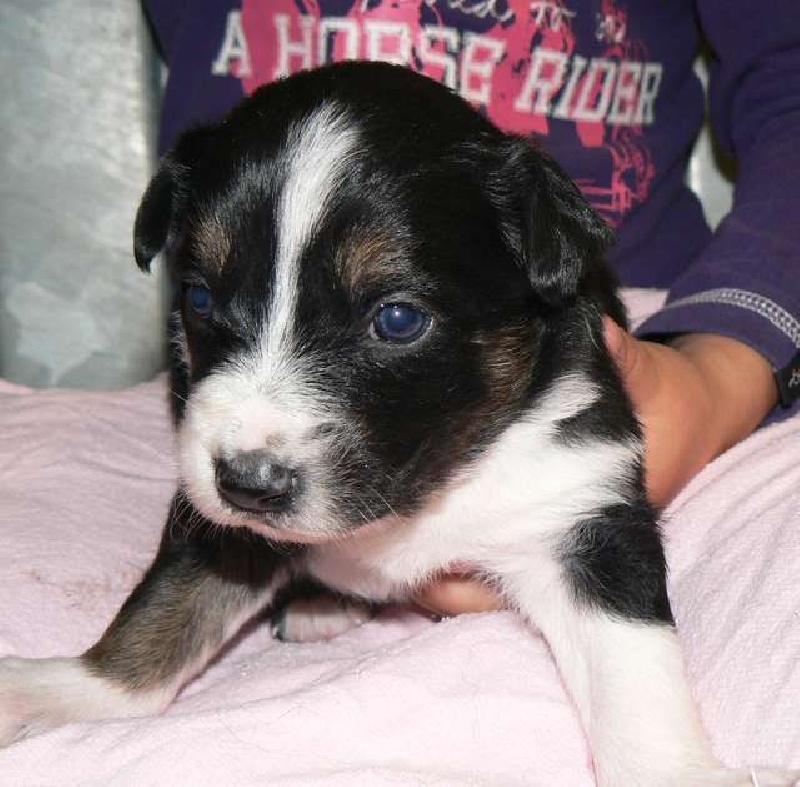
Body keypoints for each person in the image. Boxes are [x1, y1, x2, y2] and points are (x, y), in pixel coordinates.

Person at [142, 0, 800, 615]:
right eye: (201, 299)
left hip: (675, 359)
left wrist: (720, 375)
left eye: (395, 320)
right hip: (230, 478)